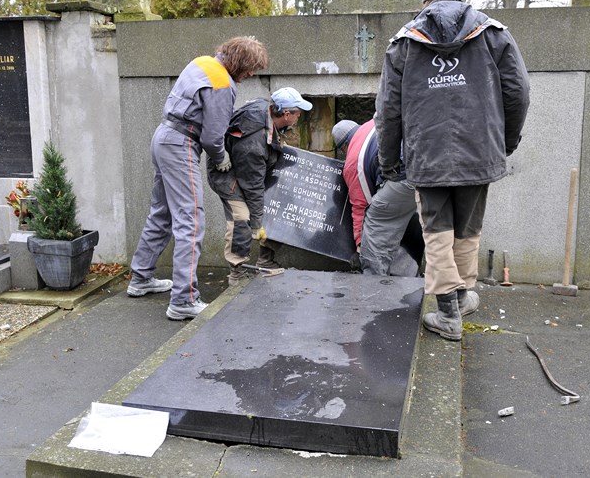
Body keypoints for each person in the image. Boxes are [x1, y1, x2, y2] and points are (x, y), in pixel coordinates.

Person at [374, 0, 530, 341]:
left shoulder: (405, 42)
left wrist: (389, 160)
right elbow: (519, 92)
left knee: (438, 232)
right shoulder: (495, 34)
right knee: (467, 228)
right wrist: (504, 142)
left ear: (426, 0)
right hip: (480, 152)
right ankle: (460, 299)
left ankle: (449, 311)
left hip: (426, 154)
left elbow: (387, 110)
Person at [128, 36, 269, 321]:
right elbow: (212, 137)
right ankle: (184, 299)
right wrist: (220, 158)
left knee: (162, 213)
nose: (252, 74)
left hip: (163, 137)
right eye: (251, 68)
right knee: (191, 221)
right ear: (241, 63)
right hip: (181, 145)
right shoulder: (222, 84)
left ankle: (140, 277)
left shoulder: (202, 62)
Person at [207, 87, 312, 286]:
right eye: (298, 112)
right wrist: (256, 225)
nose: (300, 116)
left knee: (281, 206)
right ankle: (236, 275)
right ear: (287, 114)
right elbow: (252, 186)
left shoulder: (268, 109)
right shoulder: (254, 143)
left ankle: (265, 260)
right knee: (241, 219)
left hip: (251, 168)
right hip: (229, 177)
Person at [332, 119, 421, 277]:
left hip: (404, 175)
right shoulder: (370, 124)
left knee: (375, 224)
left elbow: (362, 206)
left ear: (344, 147)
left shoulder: (352, 161)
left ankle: (373, 284)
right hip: (427, 164)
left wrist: (360, 246)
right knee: (404, 219)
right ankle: (408, 278)